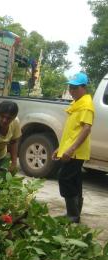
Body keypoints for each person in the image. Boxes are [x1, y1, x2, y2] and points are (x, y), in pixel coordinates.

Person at [53, 72, 93, 223]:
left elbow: (86, 129)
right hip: (71, 150)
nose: (71, 91)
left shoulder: (86, 106)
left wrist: (71, 149)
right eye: (70, 87)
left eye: (75, 88)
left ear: (83, 88)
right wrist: (61, 148)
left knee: (64, 178)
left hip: (76, 152)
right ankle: (75, 215)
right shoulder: (77, 104)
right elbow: (71, 131)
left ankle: (72, 215)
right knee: (75, 180)